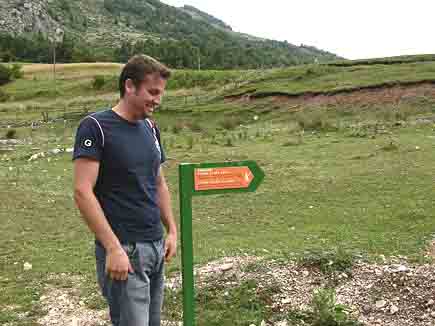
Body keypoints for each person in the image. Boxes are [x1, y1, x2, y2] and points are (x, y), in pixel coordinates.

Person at [73, 55, 177, 326]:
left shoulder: (151, 128)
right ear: (130, 86)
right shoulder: (96, 127)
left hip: (155, 246)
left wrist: (172, 231)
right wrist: (113, 248)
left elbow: (158, 183)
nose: (158, 100)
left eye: (161, 94)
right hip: (125, 251)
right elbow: (83, 192)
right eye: (152, 92)